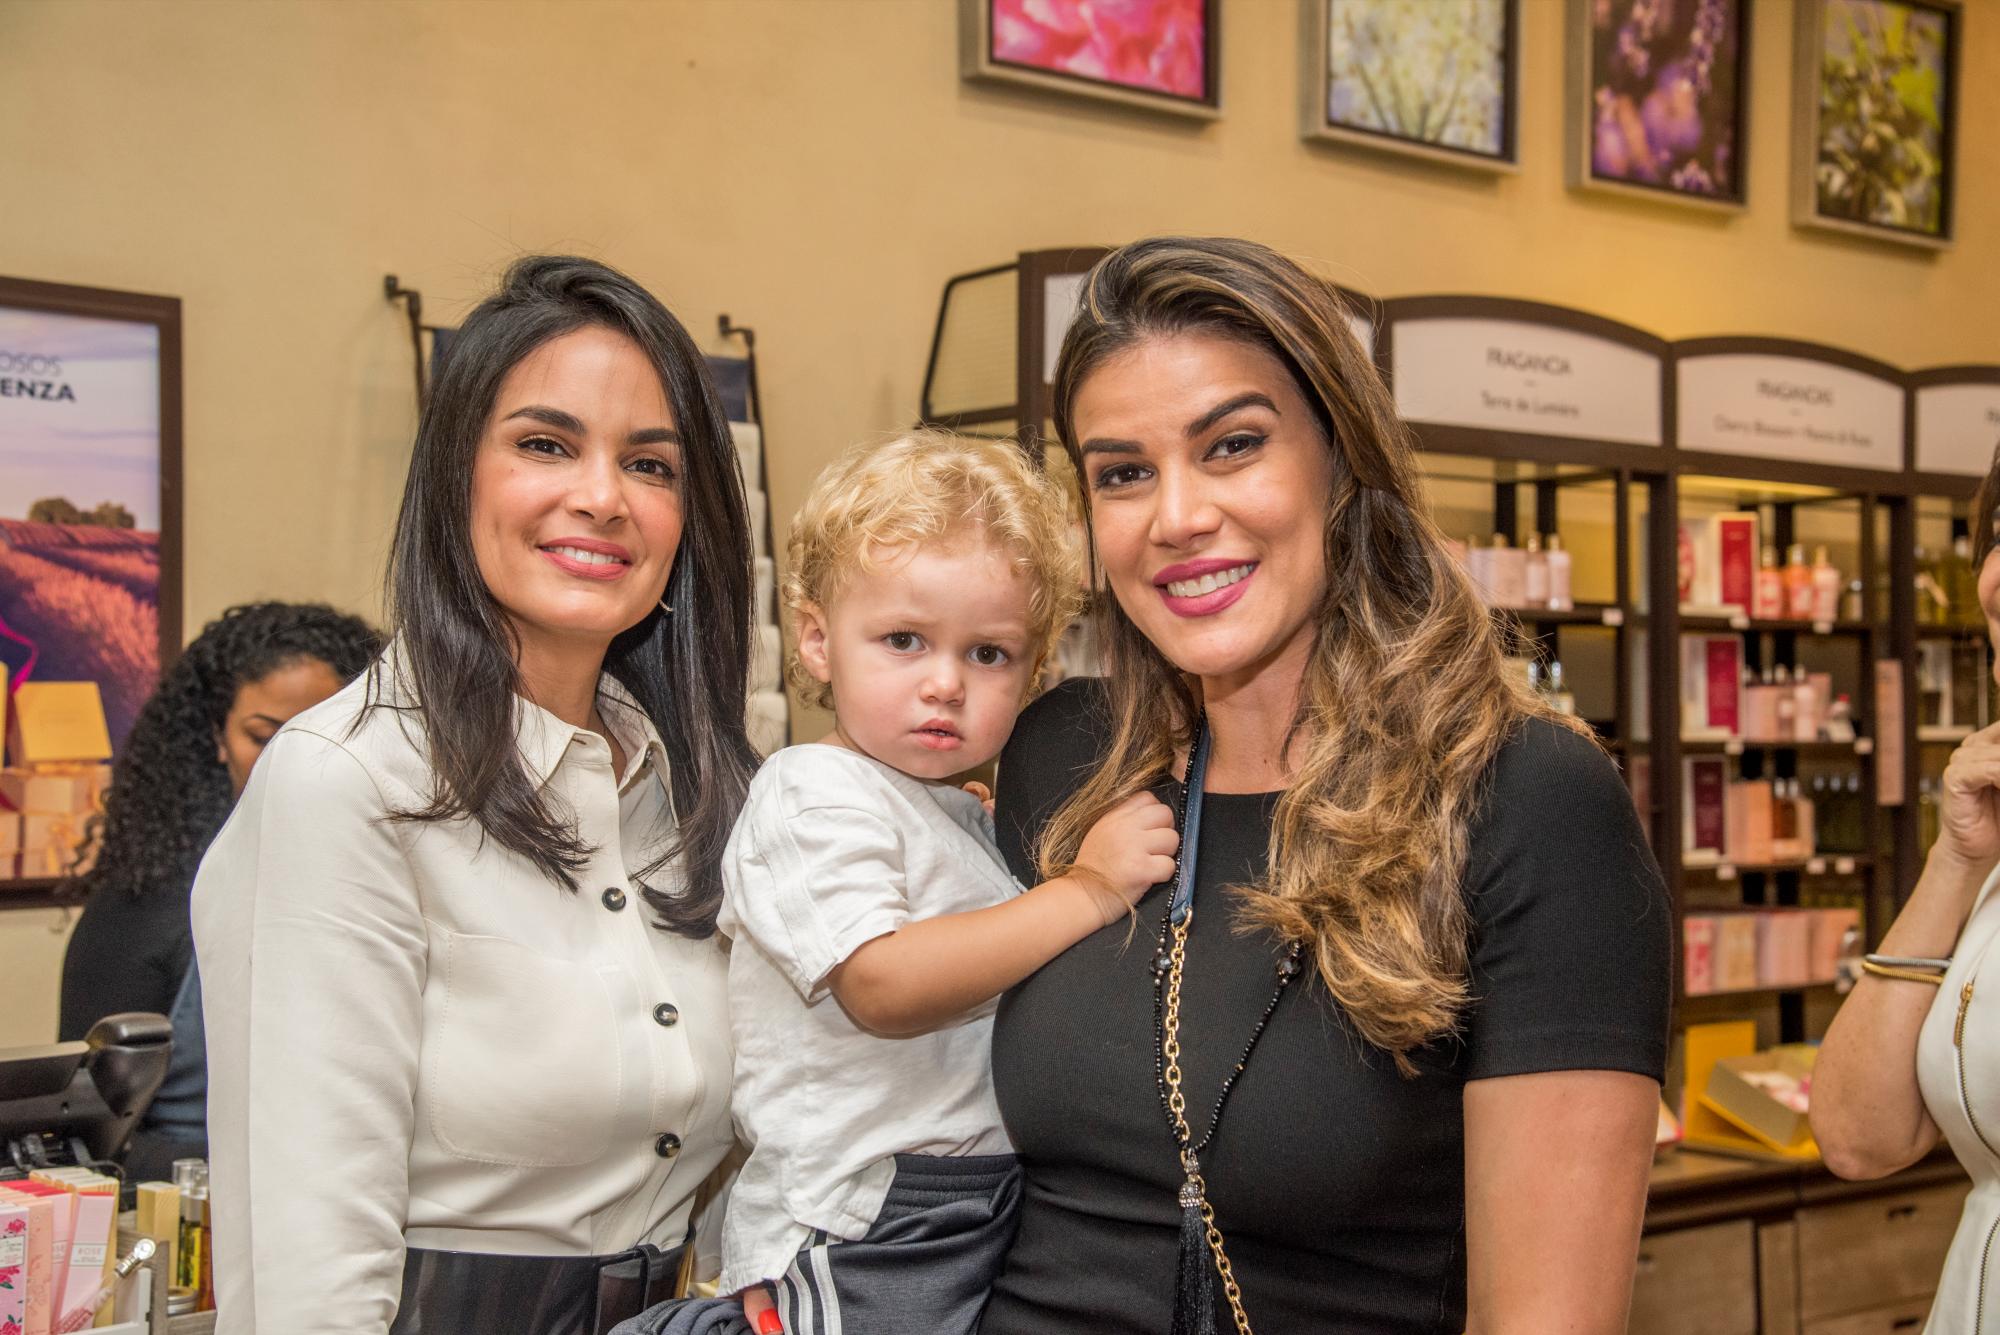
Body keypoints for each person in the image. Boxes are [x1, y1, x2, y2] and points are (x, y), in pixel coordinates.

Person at [981, 237, 1672, 1334]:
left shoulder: (1520, 799)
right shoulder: (1063, 759)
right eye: (1120, 472)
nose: (1173, 516)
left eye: (1232, 446)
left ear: (1341, 460)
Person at [191, 255, 759, 1335]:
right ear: (457, 472)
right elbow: (310, 1252)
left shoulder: (689, 794)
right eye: (545, 444)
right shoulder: (345, 780)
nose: (599, 496)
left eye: (650, 464)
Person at [623, 432, 1176, 1335]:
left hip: (962, 1195)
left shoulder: (946, 808)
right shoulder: (809, 792)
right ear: (816, 640)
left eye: (989, 654)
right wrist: (1085, 890)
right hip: (863, 1212)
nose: (945, 683)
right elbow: (882, 982)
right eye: (905, 640)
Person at [57, 601, 381, 1180]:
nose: (294, 764)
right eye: (265, 737)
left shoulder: (390, 882)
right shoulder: (150, 903)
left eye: (324, 738)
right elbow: (83, 1135)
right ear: (218, 738)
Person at [1811, 447, 2000, 1332]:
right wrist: (1956, 861)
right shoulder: (1985, 848)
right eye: (1994, 540)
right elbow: (1858, 1135)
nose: (1994, 575)